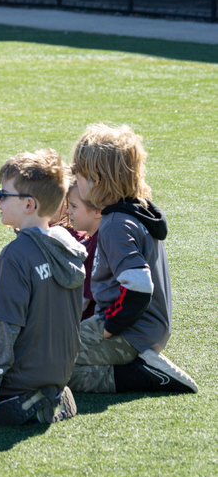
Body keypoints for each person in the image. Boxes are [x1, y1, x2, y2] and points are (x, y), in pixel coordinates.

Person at [0, 149, 85, 426]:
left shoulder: (15, 255)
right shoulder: (70, 249)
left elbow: (5, 334)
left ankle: (19, 400)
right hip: (58, 373)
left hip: (17, 378)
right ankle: (50, 396)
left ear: (28, 205)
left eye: (3, 194)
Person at [69, 123, 198, 394]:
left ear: (97, 180)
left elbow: (138, 287)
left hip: (128, 332)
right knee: (55, 352)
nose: (74, 178)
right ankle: (142, 363)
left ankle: (144, 374)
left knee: (52, 366)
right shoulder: (135, 209)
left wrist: (108, 327)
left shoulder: (115, 223)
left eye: (78, 173)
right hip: (146, 328)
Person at [66, 177, 101, 321]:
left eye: (74, 206)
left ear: (97, 210)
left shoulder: (94, 247)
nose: (68, 211)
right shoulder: (96, 238)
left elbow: (80, 303)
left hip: (87, 327)